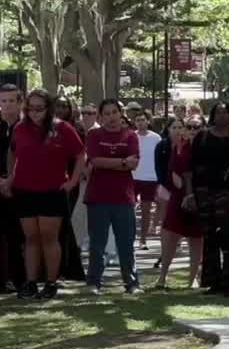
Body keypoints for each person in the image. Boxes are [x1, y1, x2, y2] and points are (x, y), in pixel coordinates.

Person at [10, 90, 85, 299]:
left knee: (49, 237)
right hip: (24, 189)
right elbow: (12, 152)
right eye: (30, 108)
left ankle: (51, 282)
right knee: (31, 238)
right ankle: (31, 282)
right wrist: (10, 177)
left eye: (39, 109)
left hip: (52, 190)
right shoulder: (20, 128)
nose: (34, 113)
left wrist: (72, 181)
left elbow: (80, 154)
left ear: (48, 108)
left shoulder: (63, 128)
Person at [185, 102, 229, 297]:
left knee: (228, 236)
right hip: (204, 191)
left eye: (225, 113)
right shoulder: (202, 137)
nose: (221, 116)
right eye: (218, 113)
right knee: (209, 236)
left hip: (228, 192)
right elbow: (191, 167)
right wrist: (190, 193)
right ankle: (213, 281)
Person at [84, 99, 142, 294]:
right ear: (101, 117)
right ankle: (93, 282)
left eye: (114, 112)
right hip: (98, 197)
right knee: (97, 244)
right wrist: (123, 162)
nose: (111, 117)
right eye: (107, 113)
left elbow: (134, 163)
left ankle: (131, 283)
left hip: (124, 197)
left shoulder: (131, 135)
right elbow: (95, 161)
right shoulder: (94, 135)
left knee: (126, 243)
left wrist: (115, 162)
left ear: (121, 113)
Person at [0, 84, 25, 294]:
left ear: (20, 103)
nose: (7, 105)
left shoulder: (27, 127)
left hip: (21, 188)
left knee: (19, 236)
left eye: (11, 101)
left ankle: (21, 280)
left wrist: (10, 181)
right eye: (3, 101)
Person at [156, 116, 203, 289]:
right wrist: (182, 188)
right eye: (189, 126)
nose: (192, 130)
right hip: (178, 196)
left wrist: (192, 193)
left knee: (196, 239)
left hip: (199, 196)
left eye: (196, 127)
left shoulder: (207, 147)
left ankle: (193, 278)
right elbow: (172, 171)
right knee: (170, 236)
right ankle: (162, 277)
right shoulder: (179, 146)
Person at [55, 96, 87, 280]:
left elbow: (81, 155)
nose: (60, 109)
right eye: (57, 106)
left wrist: (74, 180)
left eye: (64, 106)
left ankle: (67, 267)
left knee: (64, 223)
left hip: (69, 183)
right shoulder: (46, 128)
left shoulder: (76, 129)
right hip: (50, 180)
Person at [133, 111, 162, 249]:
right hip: (132, 177)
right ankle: (129, 237)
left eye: (142, 120)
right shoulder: (131, 136)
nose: (140, 122)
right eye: (138, 120)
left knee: (146, 210)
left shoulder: (156, 138)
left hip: (150, 178)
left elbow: (160, 158)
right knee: (129, 210)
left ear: (148, 121)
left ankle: (143, 240)